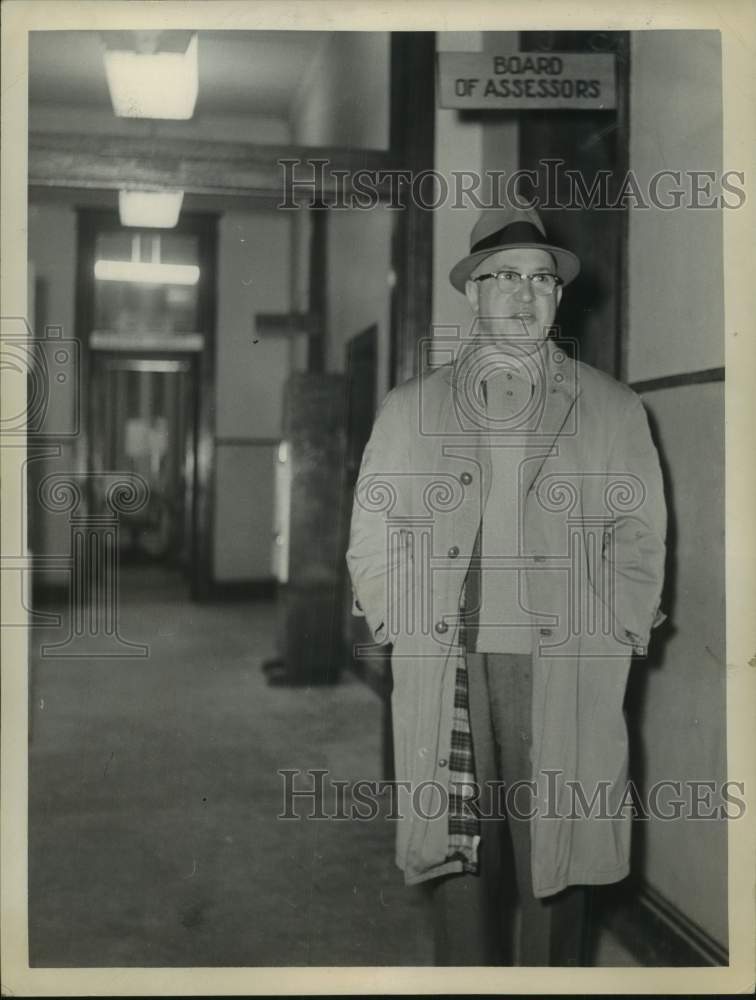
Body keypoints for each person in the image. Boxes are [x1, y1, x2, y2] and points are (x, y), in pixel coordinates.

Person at [346, 204, 667, 966]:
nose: (526, 294)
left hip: (564, 665)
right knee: (456, 852)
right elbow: (372, 533)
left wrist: (617, 635)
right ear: (473, 292)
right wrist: (400, 625)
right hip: (450, 661)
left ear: (559, 296)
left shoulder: (612, 408)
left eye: (542, 280)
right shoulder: (412, 408)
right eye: (506, 277)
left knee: (558, 858)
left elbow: (640, 538)